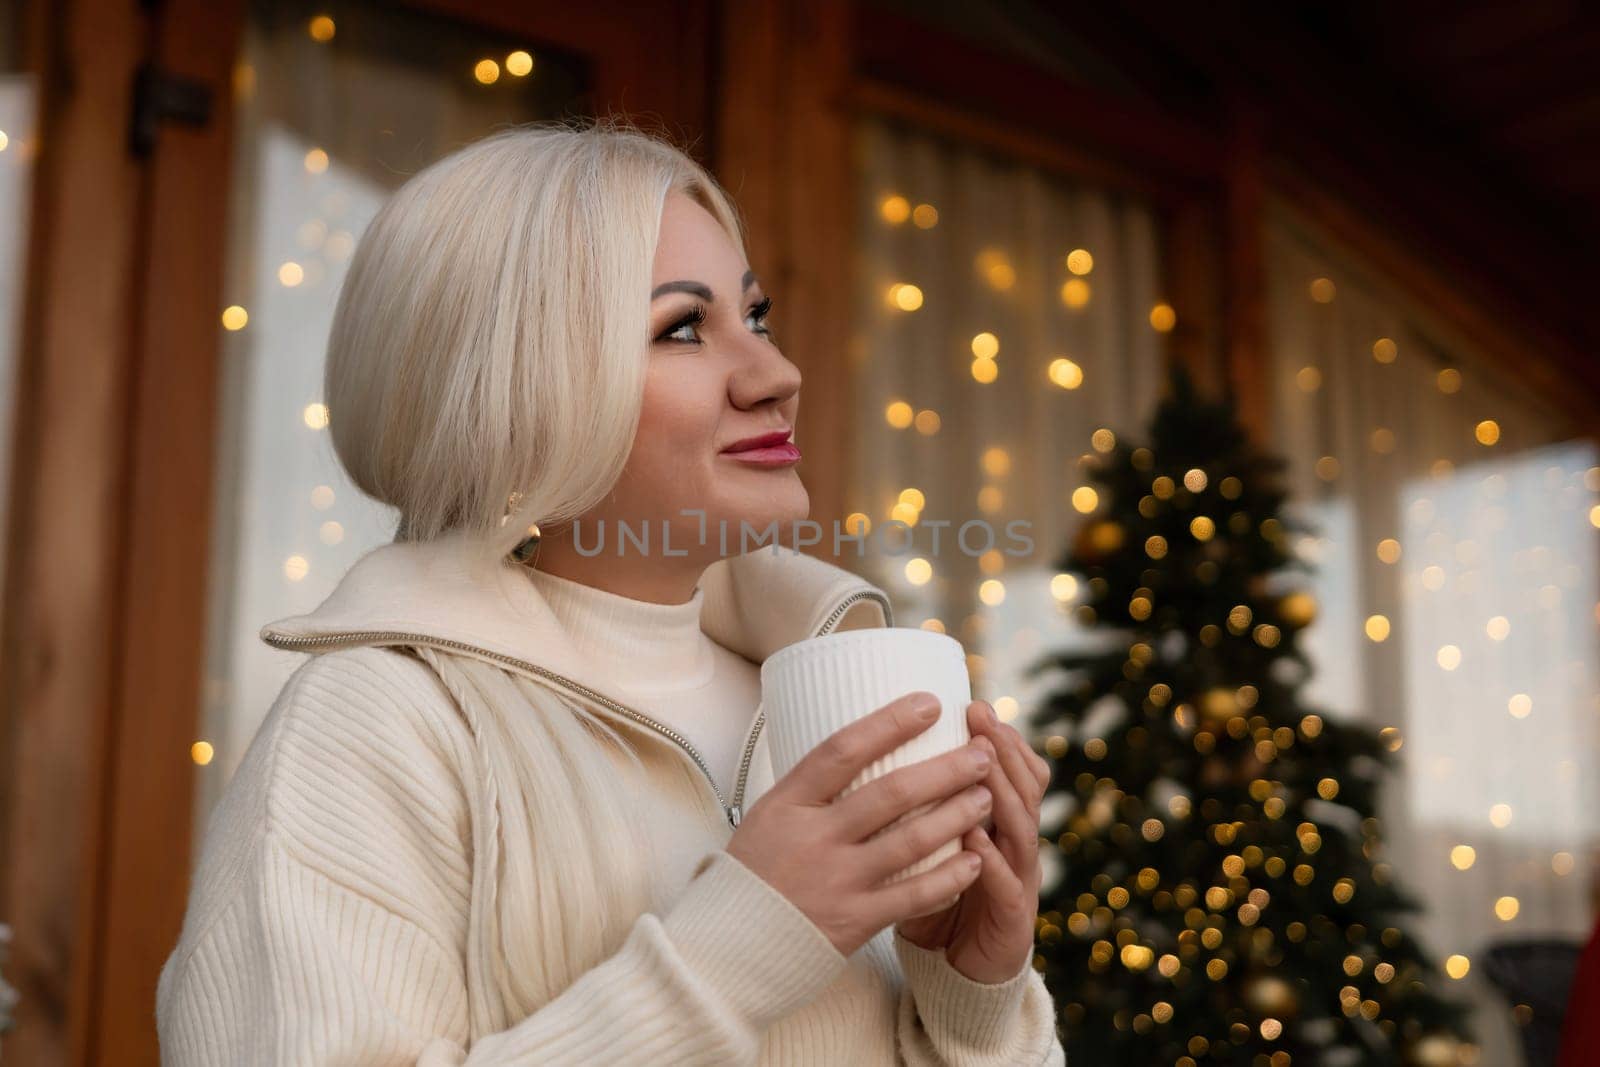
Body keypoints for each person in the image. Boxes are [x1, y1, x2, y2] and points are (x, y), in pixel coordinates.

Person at [156, 119, 1065, 1065]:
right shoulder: (382, 719)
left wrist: (972, 1004)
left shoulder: (814, 692)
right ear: (514, 387)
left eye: (754, 316)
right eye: (683, 329)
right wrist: (735, 951)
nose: (777, 374)